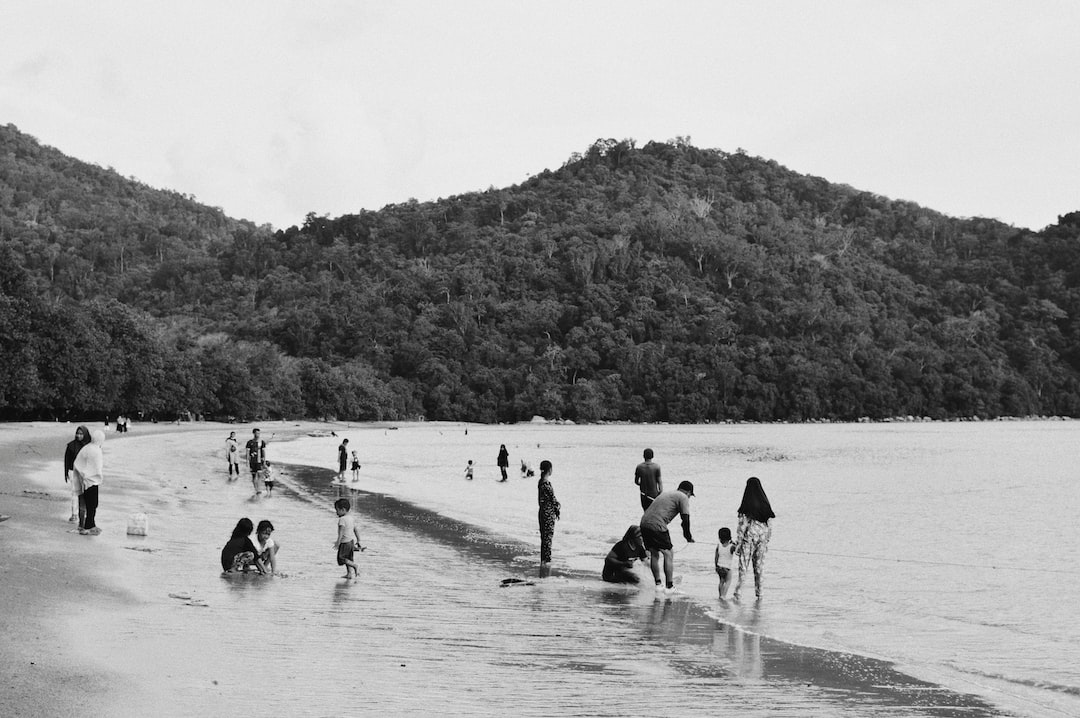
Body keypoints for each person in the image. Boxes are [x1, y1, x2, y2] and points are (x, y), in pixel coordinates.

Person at [639, 480, 695, 594]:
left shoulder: (666, 494)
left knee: (654, 553)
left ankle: (658, 585)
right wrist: (688, 536)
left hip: (644, 523)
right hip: (657, 525)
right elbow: (685, 519)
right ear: (688, 492)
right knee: (669, 553)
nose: (689, 498)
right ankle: (669, 587)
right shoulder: (683, 497)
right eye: (690, 495)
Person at [733, 476, 775, 601]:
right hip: (762, 538)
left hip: (749, 538)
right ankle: (759, 594)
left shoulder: (747, 506)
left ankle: (738, 593)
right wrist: (766, 541)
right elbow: (770, 527)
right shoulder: (766, 505)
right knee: (759, 567)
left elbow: (742, 527)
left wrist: (738, 544)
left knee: (743, 567)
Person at [73, 429, 106, 536]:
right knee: (92, 504)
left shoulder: (87, 447)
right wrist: (98, 477)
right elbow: (97, 467)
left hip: (84, 479)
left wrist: (82, 475)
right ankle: (89, 526)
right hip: (92, 480)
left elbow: (78, 463)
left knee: (89, 504)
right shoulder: (96, 450)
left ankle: (90, 524)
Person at [63, 425, 91, 525]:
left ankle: (85, 514)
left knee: (87, 494)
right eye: (77, 433)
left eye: (81, 434)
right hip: (73, 472)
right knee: (75, 493)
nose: (79, 436)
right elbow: (67, 460)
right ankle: (74, 514)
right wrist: (66, 473)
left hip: (86, 473)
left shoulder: (89, 446)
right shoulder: (71, 446)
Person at [536, 460, 560, 566]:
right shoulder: (546, 484)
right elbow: (553, 500)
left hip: (542, 512)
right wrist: (558, 507)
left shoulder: (541, 482)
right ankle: (547, 561)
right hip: (548, 514)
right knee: (548, 538)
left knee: (544, 538)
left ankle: (543, 560)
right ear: (549, 470)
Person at [333, 497, 364, 580]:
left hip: (344, 542)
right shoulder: (351, 518)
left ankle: (355, 566)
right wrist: (359, 540)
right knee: (348, 558)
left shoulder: (342, 520)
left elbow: (341, 533)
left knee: (341, 559)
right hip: (351, 542)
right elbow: (355, 530)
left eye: (337, 510)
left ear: (343, 510)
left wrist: (337, 542)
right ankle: (349, 574)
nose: (336, 512)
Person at [715, 527, 735, 598]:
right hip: (727, 568)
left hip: (719, 566)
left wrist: (716, 566)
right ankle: (724, 596)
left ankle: (720, 595)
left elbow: (716, 556)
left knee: (721, 581)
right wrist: (734, 543)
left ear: (719, 537)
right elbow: (737, 549)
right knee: (728, 581)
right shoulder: (731, 547)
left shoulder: (719, 545)